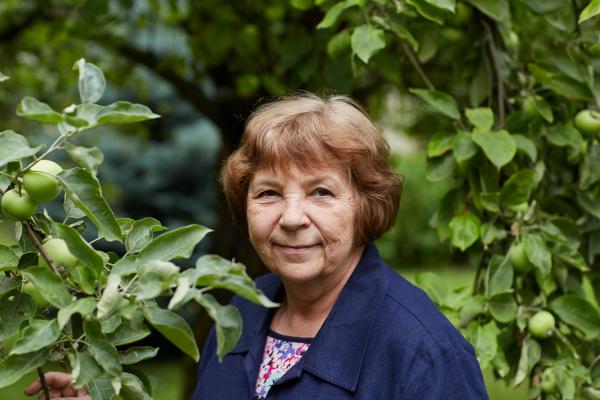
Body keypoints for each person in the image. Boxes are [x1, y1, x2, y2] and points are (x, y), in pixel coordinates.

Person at [26, 93, 488, 399]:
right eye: (268, 193)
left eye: (320, 192)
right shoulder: (240, 315)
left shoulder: (423, 353)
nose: (291, 218)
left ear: (367, 206)